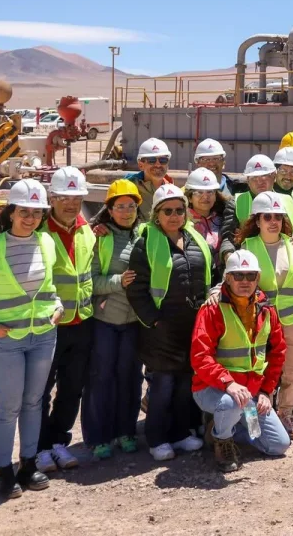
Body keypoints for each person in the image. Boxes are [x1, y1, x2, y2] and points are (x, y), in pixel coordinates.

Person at [0, 179, 62, 499]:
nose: (30, 218)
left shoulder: (47, 243)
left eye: (37, 212)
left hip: (43, 338)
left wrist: (57, 306)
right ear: (11, 212)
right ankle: (4, 470)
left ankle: (28, 464)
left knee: (33, 403)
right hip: (6, 341)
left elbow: (49, 287)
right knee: (8, 407)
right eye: (24, 211)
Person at [125, 183, 217, 461]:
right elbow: (136, 288)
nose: (174, 215)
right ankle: (157, 437)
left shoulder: (192, 239)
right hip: (161, 329)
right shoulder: (146, 243)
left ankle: (179, 433)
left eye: (179, 210)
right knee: (162, 386)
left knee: (184, 384)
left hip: (190, 325)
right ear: (156, 214)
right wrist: (153, 321)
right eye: (168, 211)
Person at [191, 249, 291, 472]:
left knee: (277, 445)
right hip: (213, 389)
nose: (244, 281)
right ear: (227, 278)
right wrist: (228, 383)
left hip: (251, 395)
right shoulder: (212, 309)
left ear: (257, 278)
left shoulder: (267, 309)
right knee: (231, 403)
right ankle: (222, 439)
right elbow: (200, 357)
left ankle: (224, 426)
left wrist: (266, 391)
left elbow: (278, 353)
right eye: (238, 276)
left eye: (250, 276)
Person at [229, 191, 293, 440]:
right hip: (257, 323)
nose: (273, 221)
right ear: (257, 220)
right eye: (268, 216)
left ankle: (285, 413)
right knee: (258, 371)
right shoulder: (247, 249)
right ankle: (254, 422)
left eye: (278, 216)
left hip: (292, 320)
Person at [37, 167, 97, 473]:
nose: (71, 204)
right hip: (49, 327)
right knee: (41, 391)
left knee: (72, 388)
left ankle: (59, 442)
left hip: (81, 324)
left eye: (76, 198)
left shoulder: (87, 231)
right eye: (64, 198)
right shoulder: (40, 232)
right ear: (52, 198)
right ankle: (38, 449)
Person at [84, 179, 145, 460]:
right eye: (120, 206)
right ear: (109, 209)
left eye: (131, 206)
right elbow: (90, 281)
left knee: (130, 378)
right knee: (101, 378)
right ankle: (99, 437)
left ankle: (126, 431)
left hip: (134, 321)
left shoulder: (144, 233)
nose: (126, 211)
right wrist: (119, 281)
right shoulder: (100, 237)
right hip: (106, 320)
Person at [185, 167, 231, 258]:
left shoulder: (223, 218)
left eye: (210, 192)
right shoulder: (182, 221)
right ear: (190, 198)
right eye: (199, 192)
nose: (205, 197)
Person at [126, 138, 175, 218]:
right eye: (151, 160)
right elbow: (107, 216)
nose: (158, 165)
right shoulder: (128, 187)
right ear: (141, 165)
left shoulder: (173, 191)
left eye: (163, 160)